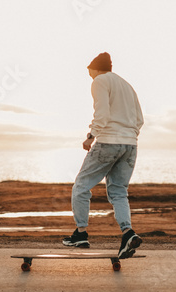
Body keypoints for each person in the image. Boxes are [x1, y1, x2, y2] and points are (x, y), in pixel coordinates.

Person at [62, 52, 144, 259]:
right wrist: (129, 136)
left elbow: (102, 113)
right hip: (130, 144)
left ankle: (80, 234)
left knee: (81, 186)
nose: (88, 75)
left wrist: (91, 135)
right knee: (118, 191)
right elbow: (140, 119)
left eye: (88, 71)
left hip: (108, 141)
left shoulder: (99, 80)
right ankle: (128, 234)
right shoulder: (127, 85)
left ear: (94, 68)